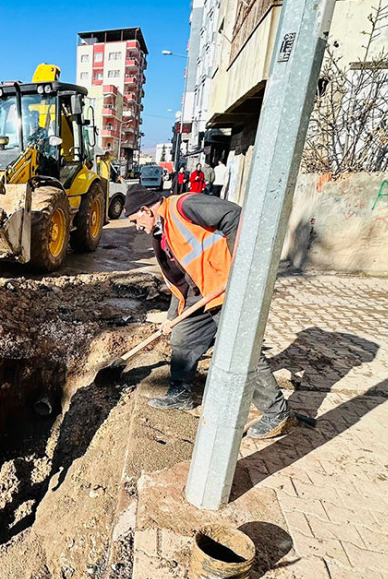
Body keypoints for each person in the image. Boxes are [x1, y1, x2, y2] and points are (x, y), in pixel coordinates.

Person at [123, 185, 293, 439]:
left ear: (146, 210)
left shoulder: (184, 207)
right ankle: (181, 394)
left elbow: (236, 216)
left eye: (136, 220)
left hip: (228, 288)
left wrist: (239, 266)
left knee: (240, 351)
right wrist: (171, 318)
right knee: (183, 337)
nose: (137, 227)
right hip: (202, 294)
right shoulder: (162, 234)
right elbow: (179, 282)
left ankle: (277, 413)